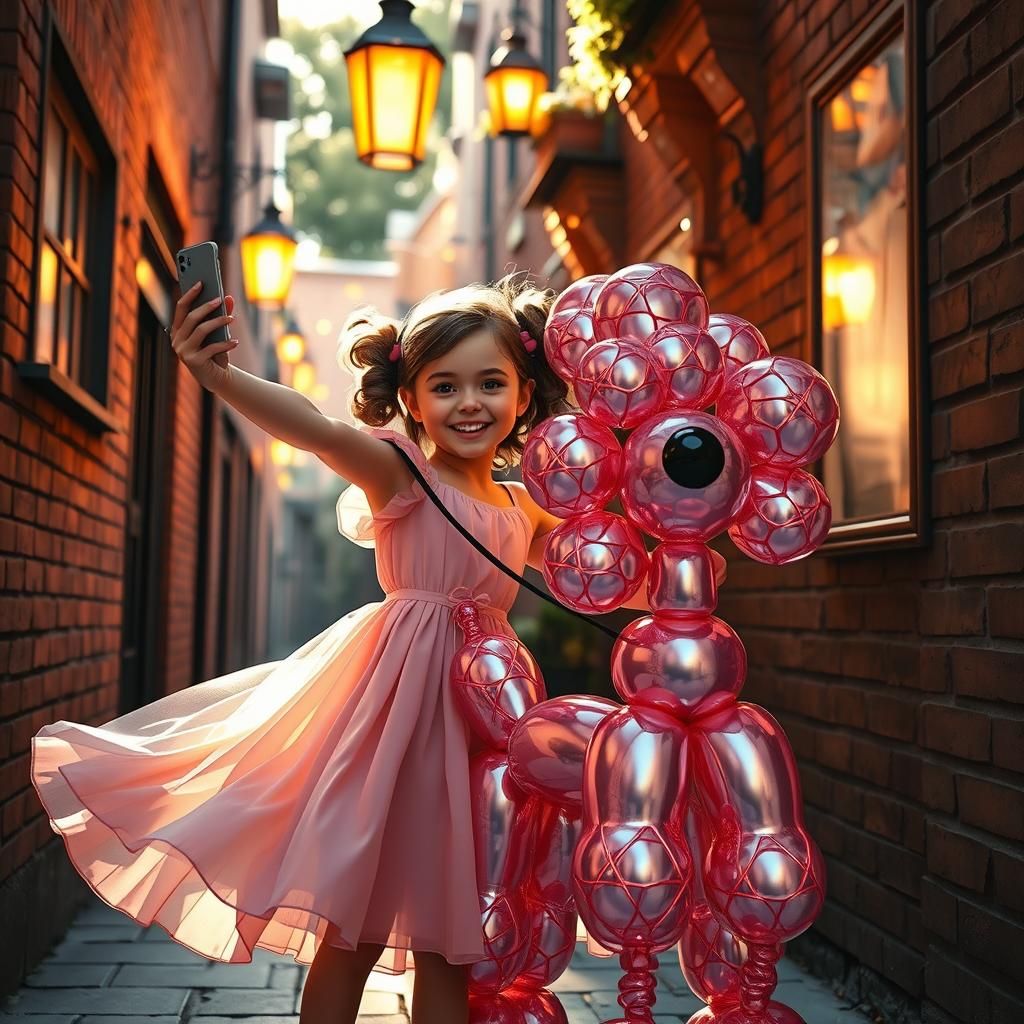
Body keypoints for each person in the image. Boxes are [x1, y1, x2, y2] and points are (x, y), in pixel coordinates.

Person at [29, 273, 577, 1024]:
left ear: (523, 392)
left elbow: (600, 571)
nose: (469, 403)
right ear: (411, 401)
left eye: (490, 382)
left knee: (454, 940)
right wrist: (217, 375)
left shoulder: (523, 508)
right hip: (396, 720)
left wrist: (684, 566)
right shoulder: (402, 473)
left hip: (479, 722)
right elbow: (316, 427)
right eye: (444, 387)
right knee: (356, 925)